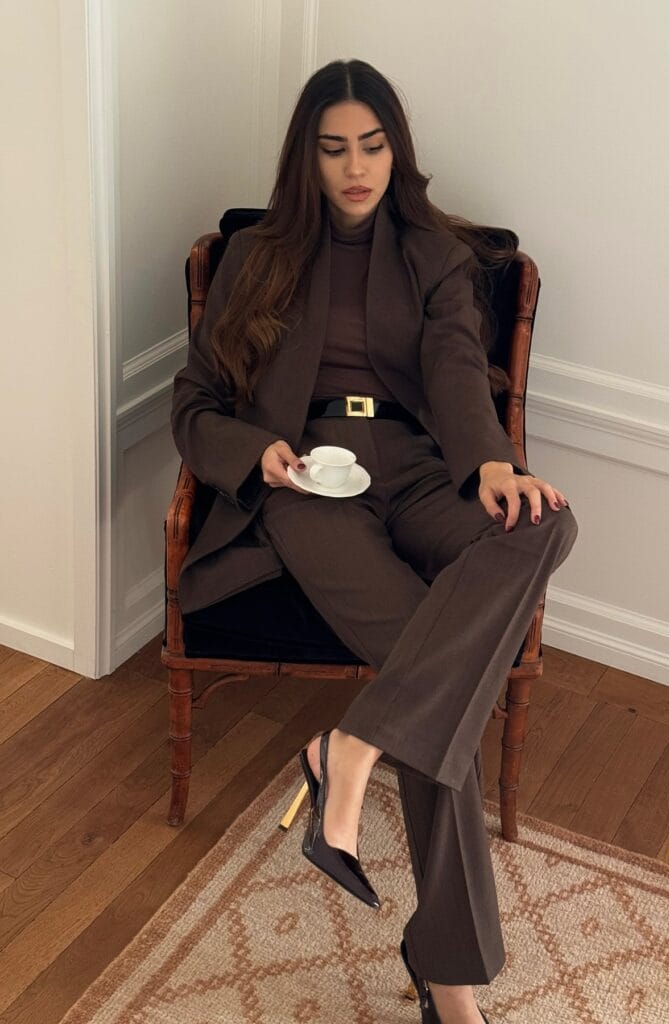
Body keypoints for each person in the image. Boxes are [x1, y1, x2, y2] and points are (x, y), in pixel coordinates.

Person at [171, 58, 578, 1024]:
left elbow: (450, 369)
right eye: (334, 147)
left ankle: (347, 750)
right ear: (305, 160)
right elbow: (191, 405)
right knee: (431, 678)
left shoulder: (432, 255)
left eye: (374, 144)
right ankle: (452, 987)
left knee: (545, 522)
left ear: (397, 150)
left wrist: (489, 463)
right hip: (307, 481)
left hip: (418, 467)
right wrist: (256, 451)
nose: (357, 166)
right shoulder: (256, 257)